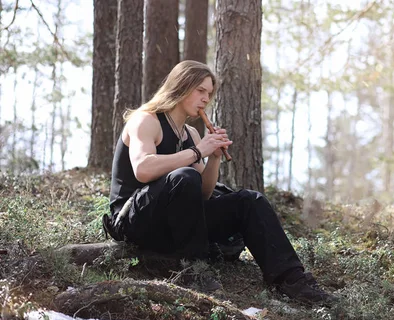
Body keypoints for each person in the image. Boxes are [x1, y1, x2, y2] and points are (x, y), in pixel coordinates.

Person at [102, 60, 335, 305]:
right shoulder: (146, 120)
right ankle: (195, 271)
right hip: (134, 221)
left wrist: (213, 158)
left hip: (175, 226)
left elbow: (202, 193)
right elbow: (143, 169)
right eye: (200, 90)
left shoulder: (190, 134)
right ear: (181, 86)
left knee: (249, 201)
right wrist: (197, 152)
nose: (206, 98)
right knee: (185, 175)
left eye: (209, 93)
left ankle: (291, 280)